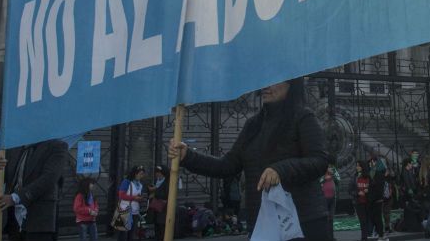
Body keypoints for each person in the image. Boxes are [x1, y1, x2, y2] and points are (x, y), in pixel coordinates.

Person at [169, 78, 331, 240]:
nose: (266, 86)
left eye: (274, 80)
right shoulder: (253, 125)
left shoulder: (303, 117)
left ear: (291, 85)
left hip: (302, 221)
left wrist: (280, 169)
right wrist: (188, 156)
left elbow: (319, 161)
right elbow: (227, 165)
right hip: (263, 223)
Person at [0, 139, 70, 241]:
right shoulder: (13, 147)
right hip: (13, 219)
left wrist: (16, 198)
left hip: (38, 219)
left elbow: (49, 178)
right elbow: (0, 179)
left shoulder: (56, 146)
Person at [114, 166, 145, 241]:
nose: (142, 176)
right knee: (123, 234)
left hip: (135, 212)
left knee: (131, 234)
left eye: (143, 174)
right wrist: (134, 198)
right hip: (124, 210)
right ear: (135, 174)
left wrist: (141, 198)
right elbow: (121, 195)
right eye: (140, 174)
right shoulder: (126, 182)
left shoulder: (140, 184)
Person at [352, 162, 372, 241]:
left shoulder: (368, 177)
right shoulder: (354, 177)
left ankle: (369, 234)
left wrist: (368, 190)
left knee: (368, 219)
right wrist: (357, 193)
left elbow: (373, 187)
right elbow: (350, 190)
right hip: (359, 202)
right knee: (363, 221)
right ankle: (364, 237)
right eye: (356, 166)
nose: (357, 167)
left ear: (363, 167)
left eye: (359, 166)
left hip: (368, 201)